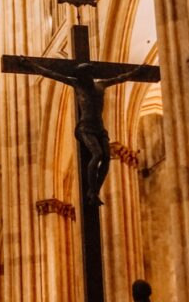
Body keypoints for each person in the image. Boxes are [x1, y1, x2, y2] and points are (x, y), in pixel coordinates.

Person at [16, 55, 147, 205]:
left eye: (88, 73)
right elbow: (50, 74)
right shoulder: (77, 84)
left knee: (106, 158)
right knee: (97, 154)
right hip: (85, 127)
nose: (87, 77)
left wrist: (137, 71)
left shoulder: (101, 85)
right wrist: (30, 65)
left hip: (99, 127)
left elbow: (121, 78)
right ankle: (91, 190)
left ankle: (95, 190)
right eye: (84, 74)